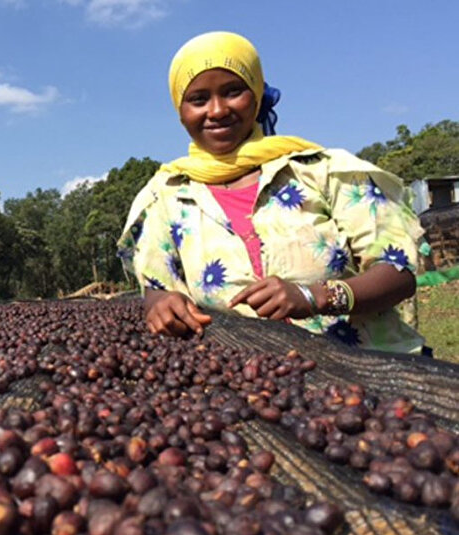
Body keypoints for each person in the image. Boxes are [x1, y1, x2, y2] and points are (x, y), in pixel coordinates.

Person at [117, 31, 428, 354]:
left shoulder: (324, 171)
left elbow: (397, 273)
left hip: (370, 369)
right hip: (249, 381)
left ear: (256, 94)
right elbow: (157, 289)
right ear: (181, 112)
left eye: (233, 91)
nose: (218, 110)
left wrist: (314, 296)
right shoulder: (164, 198)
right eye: (198, 99)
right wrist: (162, 304)